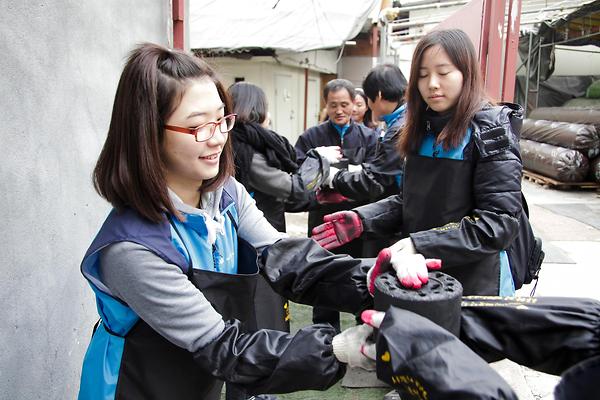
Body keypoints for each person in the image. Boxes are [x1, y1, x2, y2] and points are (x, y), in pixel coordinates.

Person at [77, 43, 380, 400]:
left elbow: (287, 258)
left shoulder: (226, 194)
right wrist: (338, 349)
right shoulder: (132, 250)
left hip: (197, 375)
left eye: (222, 119)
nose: (219, 137)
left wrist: (372, 278)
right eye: (198, 127)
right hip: (136, 385)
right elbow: (221, 345)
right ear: (147, 134)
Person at [313, 29, 528, 296]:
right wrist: (362, 218)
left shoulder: (490, 132)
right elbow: (410, 202)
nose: (432, 84)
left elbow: (497, 223)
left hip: (476, 281)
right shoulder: (420, 130)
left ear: (466, 72)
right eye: (423, 75)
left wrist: (420, 244)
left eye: (443, 72)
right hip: (420, 273)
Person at [227, 81, 340, 334]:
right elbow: (296, 188)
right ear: (257, 109)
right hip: (255, 243)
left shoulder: (249, 145)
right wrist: (319, 159)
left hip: (251, 238)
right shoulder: (247, 153)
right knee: (264, 308)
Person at [294, 78, 378, 332]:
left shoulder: (369, 137)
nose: (339, 110)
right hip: (322, 217)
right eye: (333, 105)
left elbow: (376, 177)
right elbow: (299, 175)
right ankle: (325, 332)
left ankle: (363, 326)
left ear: (355, 104)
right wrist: (318, 163)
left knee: (361, 273)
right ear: (326, 105)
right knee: (323, 273)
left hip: (357, 218)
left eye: (344, 104)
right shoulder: (311, 136)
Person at [322, 64, 408, 204]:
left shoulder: (398, 130)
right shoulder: (406, 119)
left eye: (367, 98)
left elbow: (376, 180)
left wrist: (334, 177)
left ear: (379, 95)